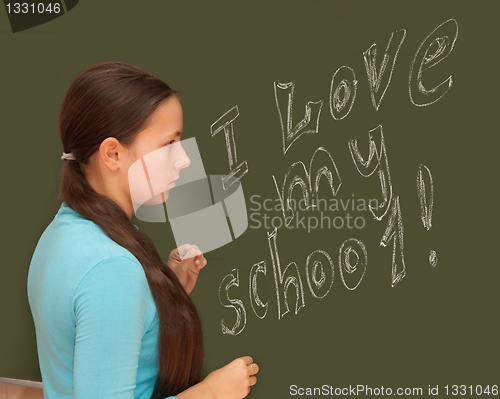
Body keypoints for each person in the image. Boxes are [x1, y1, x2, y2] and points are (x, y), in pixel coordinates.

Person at [27, 61, 259, 399]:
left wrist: (157, 296)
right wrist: (211, 394)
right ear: (113, 153)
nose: (183, 159)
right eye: (168, 144)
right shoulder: (111, 268)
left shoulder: (64, 233)